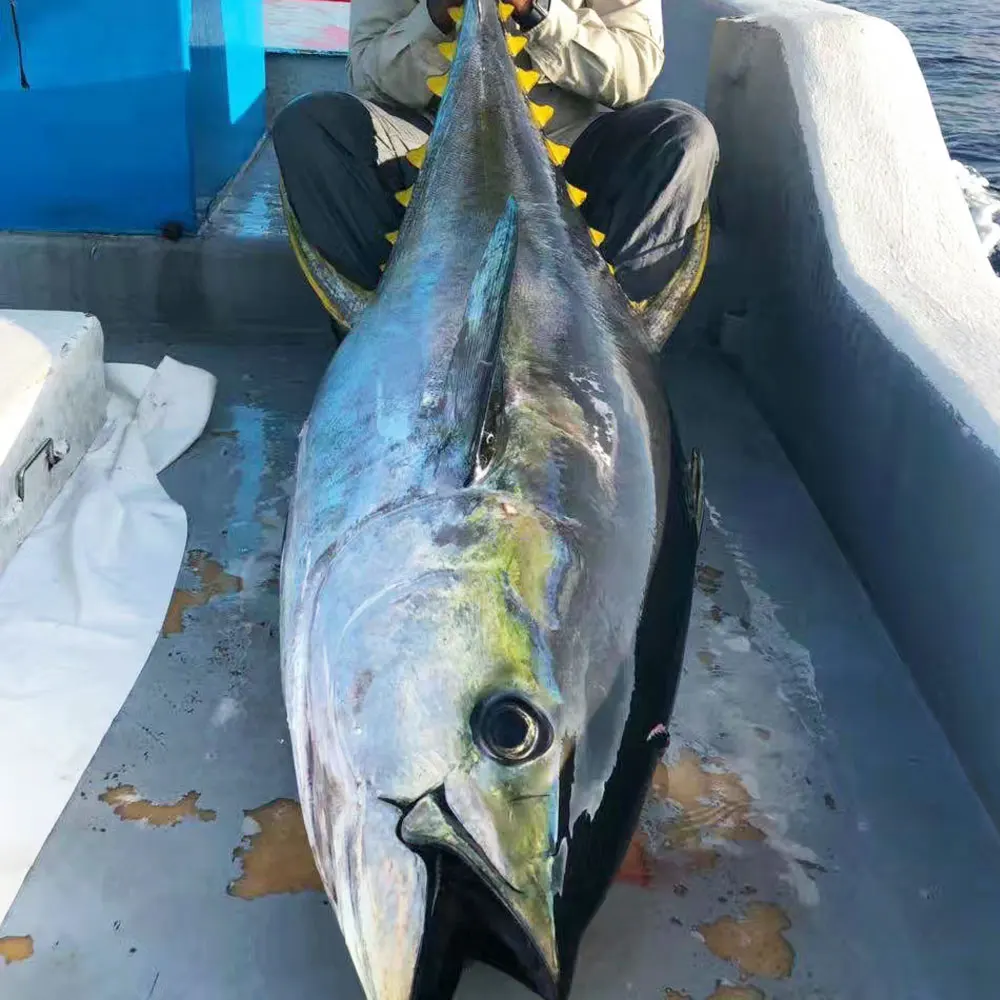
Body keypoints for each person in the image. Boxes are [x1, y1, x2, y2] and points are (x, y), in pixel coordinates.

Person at [271, 0, 718, 333]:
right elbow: (365, 73)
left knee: (683, 139)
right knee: (310, 127)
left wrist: (538, 14)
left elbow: (634, 72)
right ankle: (389, 343)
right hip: (430, 147)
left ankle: (608, 349)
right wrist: (435, 17)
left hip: (570, 153)